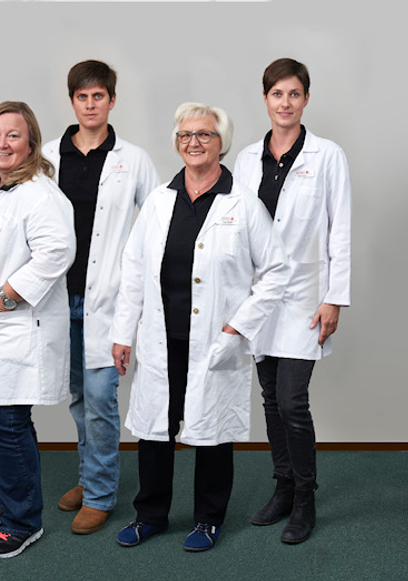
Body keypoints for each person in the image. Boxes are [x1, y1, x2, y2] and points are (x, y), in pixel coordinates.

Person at [112, 103, 289, 553]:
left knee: (212, 431)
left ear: (221, 142)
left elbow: (276, 272)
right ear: (177, 142)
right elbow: (133, 270)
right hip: (161, 337)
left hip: (213, 339)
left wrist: (238, 327)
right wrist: (122, 332)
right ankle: (149, 515)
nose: (194, 142)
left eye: (205, 134)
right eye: (185, 135)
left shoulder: (242, 203)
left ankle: (208, 520)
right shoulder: (159, 200)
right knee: (155, 430)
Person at [39, 60, 160, 535]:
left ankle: (101, 494)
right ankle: (90, 477)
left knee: (100, 400)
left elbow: (157, 225)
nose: (90, 105)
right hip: (57, 297)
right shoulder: (49, 155)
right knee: (77, 397)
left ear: (112, 100)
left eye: (98, 96)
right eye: (81, 97)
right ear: (72, 101)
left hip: (108, 301)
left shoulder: (135, 159)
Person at [234, 58, 351, 545]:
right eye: (277, 94)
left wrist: (334, 298)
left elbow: (340, 229)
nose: (285, 102)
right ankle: (283, 486)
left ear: (306, 99)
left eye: (294, 94)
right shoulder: (246, 159)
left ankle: (305, 498)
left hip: (306, 294)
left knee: (291, 401)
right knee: (270, 399)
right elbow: (237, 229)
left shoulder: (327, 156)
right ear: (265, 99)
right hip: (259, 294)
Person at [0, 102, 75, 559]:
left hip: (16, 329)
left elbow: (57, 251)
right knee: (1, 422)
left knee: (4, 423)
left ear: (31, 144)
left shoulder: (39, 195)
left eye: (13, 135)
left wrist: (7, 295)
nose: (1, 143)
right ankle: (13, 502)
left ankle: (22, 521)